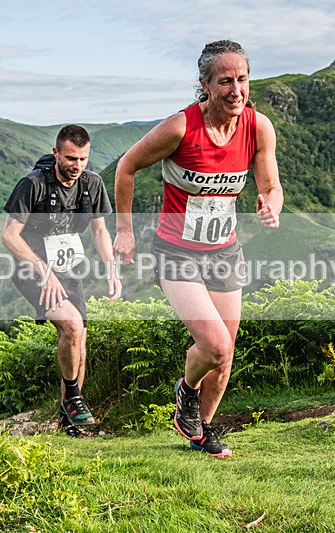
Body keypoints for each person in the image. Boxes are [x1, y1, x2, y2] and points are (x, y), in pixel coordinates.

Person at [113, 40, 283, 457]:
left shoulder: (257, 127)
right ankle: (186, 391)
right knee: (216, 345)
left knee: (226, 354)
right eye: (225, 81)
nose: (236, 90)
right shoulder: (179, 128)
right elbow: (126, 166)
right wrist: (125, 230)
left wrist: (271, 206)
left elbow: (271, 186)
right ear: (205, 85)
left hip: (224, 251)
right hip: (176, 251)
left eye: (242, 79)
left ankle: (202, 430)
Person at [2, 124, 121, 437]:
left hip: (68, 269)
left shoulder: (92, 184)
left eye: (82, 159)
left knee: (79, 336)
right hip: (32, 268)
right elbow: (9, 235)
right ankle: (74, 399)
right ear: (56, 153)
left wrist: (111, 267)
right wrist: (44, 270)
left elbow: (99, 230)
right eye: (70, 158)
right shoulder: (33, 184)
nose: (76, 165)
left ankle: (70, 418)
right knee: (70, 325)